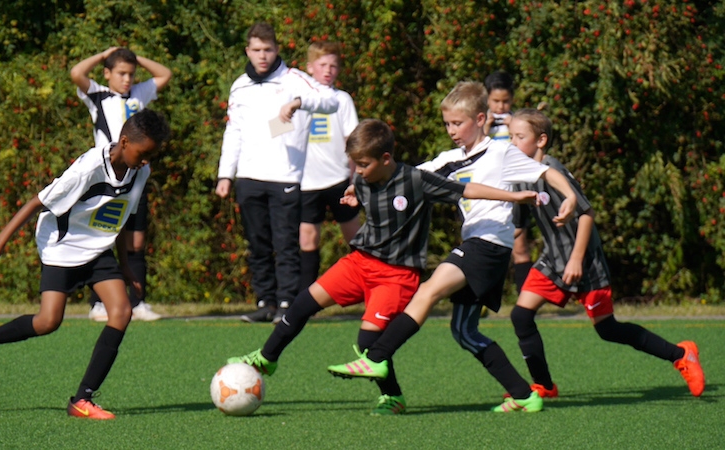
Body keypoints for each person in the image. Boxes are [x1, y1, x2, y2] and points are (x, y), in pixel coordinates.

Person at [227, 119, 539, 415]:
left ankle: (392, 397)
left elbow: (467, 190)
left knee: (368, 344)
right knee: (302, 304)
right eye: (355, 165)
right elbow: (364, 189)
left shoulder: (416, 180)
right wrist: (354, 192)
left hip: (396, 275)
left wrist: (513, 196)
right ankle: (267, 358)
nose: (358, 171)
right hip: (359, 263)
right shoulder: (362, 180)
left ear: (386, 158)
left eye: (363, 165)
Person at [327, 81, 579, 414]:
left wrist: (570, 195)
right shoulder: (449, 159)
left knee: (428, 291)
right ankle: (523, 395)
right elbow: (402, 177)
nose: (451, 130)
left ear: (480, 119)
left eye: (458, 123)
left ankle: (376, 356)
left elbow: (545, 173)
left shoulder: (501, 152)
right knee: (464, 331)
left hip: (489, 244)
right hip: (476, 243)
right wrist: (358, 189)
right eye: (447, 124)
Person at [0, 109, 171, 420]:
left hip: (98, 247)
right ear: (125, 142)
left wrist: (125, 265)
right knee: (48, 321)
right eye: (143, 154)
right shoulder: (88, 168)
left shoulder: (140, 171)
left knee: (122, 312)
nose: (145, 162)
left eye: (150, 156)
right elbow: (37, 202)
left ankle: (82, 400)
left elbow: (121, 215)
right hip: (61, 246)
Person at [505, 108, 705, 399]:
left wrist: (576, 258)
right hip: (552, 261)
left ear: (541, 140)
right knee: (521, 316)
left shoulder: (553, 169)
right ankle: (544, 386)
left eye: (519, 136)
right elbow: (517, 226)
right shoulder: (519, 176)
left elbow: (587, 214)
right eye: (510, 136)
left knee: (607, 329)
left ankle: (681, 354)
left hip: (585, 261)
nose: (512, 143)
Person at [215, 22, 339, 324]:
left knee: (285, 243)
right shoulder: (240, 86)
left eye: (268, 50)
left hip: (285, 177)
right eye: (256, 50)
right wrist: (225, 174)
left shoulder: (294, 79)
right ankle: (265, 301)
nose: (262, 56)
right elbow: (234, 131)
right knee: (257, 244)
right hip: (248, 176)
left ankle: (287, 302)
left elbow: (331, 101)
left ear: (277, 50)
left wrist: (299, 102)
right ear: (247, 51)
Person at [71, 46, 172, 322]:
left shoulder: (139, 94)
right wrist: (105, 54)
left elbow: (165, 74)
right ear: (107, 73)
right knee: (103, 235)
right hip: (108, 178)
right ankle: (99, 303)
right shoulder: (98, 95)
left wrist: (136, 57)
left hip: (137, 177)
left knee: (136, 241)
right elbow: (76, 73)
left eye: (131, 74)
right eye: (121, 73)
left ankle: (138, 302)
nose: (127, 79)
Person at [298, 41, 361, 304]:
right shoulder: (298, 99)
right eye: (322, 65)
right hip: (306, 182)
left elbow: (353, 141)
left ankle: (369, 287)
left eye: (333, 66)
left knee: (355, 237)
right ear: (309, 67)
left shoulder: (342, 99)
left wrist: (355, 177)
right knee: (308, 239)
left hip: (338, 179)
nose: (328, 70)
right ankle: (305, 299)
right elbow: (278, 131)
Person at [483, 70, 532, 294]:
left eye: (505, 101)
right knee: (485, 244)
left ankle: (524, 299)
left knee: (520, 244)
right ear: (487, 99)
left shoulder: (518, 123)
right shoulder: (481, 123)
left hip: (515, 188)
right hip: (489, 188)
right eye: (495, 101)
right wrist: (485, 128)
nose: (500, 106)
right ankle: (483, 295)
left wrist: (515, 128)